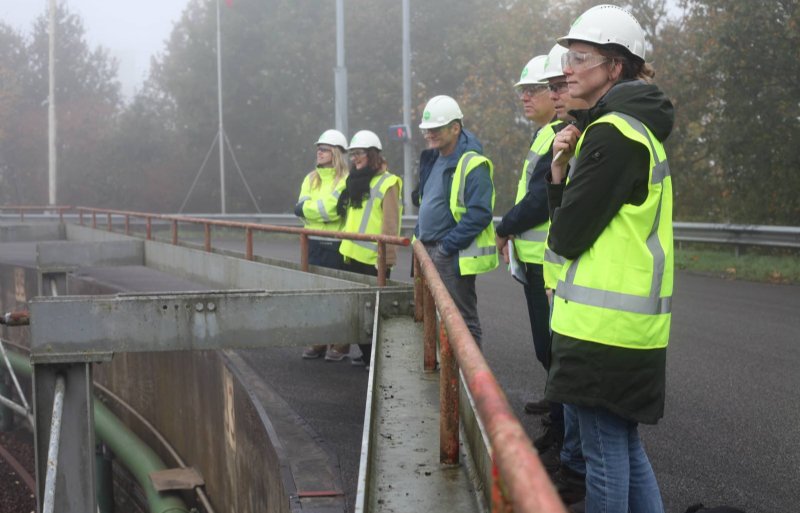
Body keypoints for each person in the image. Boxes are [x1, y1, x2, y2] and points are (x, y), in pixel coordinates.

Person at [546, 5, 675, 513]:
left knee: (604, 458)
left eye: (581, 56)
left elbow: (569, 235)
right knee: (623, 448)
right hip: (629, 329)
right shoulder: (633, 128)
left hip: (603, 332)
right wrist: (564, 171)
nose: (569, 67)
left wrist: (559, 178)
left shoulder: (613, 133)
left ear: (615, 67)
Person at [494, 54, 561, 418]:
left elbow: (539, 201)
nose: (526, 96)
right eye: (524, 91)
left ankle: (562, 420)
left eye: (534, 89)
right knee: (546, 344)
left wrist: (504, 228)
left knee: (549, 345)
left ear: (554, 92)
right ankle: (557, 403)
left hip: (546, 261)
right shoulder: (545, 135)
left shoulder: (555, 135)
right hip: (537, 258)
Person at [414, 95, 497, 348]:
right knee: (432, 316)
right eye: (427, 129)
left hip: (449, 252)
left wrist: (446, 247)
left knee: (462, 321)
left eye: (436, 129)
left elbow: (481, 213)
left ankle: (468, 383)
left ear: (455, 127)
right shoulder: (432, 157)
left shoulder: (472, 163)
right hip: (428, 248)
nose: (429, 134)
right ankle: (446, 378)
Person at [338, 130, 402, 367]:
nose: (354, 158)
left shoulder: (388, 182)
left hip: (374, 260)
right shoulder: (355, 180)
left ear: (373, 154)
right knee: (358, 312)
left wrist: (386, 261)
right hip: (351, 255)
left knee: (375, 314)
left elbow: (390, 225)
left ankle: (376, 360)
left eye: (359, 154)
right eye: (352, 154)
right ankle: (367, 356)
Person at [296, 129, 352, 361]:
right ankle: (319, 340)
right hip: (313, 243)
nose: (319, 152)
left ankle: (340, 343)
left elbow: (333, 211)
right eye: (318, 148)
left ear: (336, 153)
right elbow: (300, 209)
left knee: (338, 295)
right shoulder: (310, 178)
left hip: (336, 245)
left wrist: (314, 210)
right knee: (315, 294)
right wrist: (319, 211)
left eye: (324, 149)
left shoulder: (346, 179)